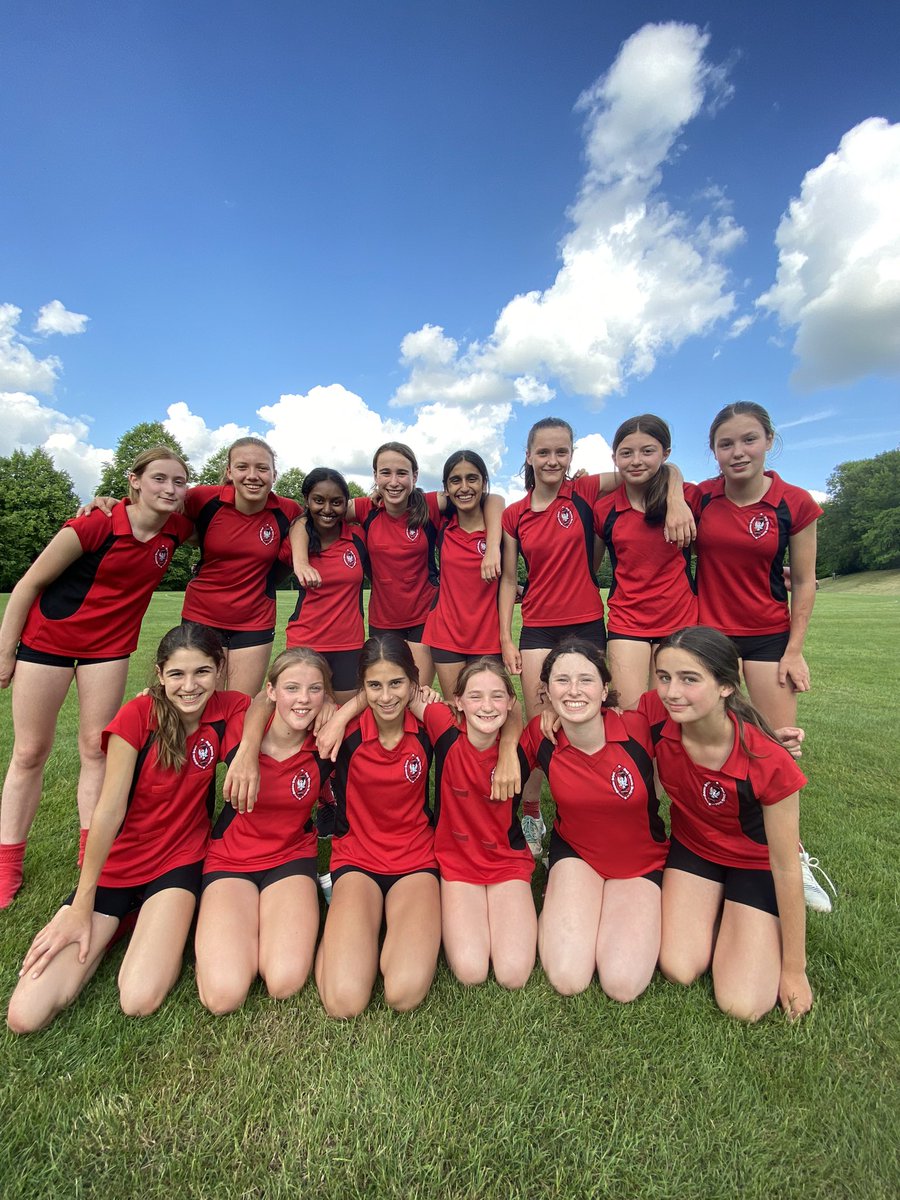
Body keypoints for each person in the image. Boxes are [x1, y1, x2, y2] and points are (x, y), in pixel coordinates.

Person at [7, 625, 249, 1033]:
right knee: (24, 1016)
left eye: (202, 672)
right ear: (159, 674)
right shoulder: (137, 716)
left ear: (220, 669)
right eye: (177, 674)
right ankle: (118, 921)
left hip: (179, 863)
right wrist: (81, 906)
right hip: (121, 864)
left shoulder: (229, 709)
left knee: (139, 998)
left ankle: (137, 918)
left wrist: (249, 754)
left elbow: (267, 705)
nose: (190, 686)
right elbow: (107, 813)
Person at [0, 447, 194, 908]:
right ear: (134, 480)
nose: (170, 489)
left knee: (96, 748)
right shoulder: (94, 524)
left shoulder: (177, 529)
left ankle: (93, 851)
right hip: (47, 642)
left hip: (108, 649)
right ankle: (7, 863)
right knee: (29, 752)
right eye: (159, 479)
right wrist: (5, 653)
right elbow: (27, 584)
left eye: (179, 482)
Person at [499, 416, 694, 857]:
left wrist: (676, 494)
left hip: (587, 623)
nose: (552, 460)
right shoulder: (515, 514)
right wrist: (506, 639)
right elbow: (509, 580)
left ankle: (609, 808)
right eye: (543, 452)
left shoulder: (585, 491)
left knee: (601, 721)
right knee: (542, 725)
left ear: (571, 456)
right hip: (537, 626)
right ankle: (531, 808)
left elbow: (655, 467)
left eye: (561, 452)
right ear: (528, 456)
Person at [692, 402, 833, 912]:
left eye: (748, 440)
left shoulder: (794, 502)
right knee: (709, 743)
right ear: (713, 451)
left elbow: (804, 581)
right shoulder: (700, 497)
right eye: (726, 444)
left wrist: (795, 651)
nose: (738, 452)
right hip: (710, 638)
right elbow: (660, 477)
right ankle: (713, 844)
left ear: (769, 441)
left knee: (775, 750)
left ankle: (791, 853)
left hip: (769, 636)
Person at [642, 625, 812, 1021]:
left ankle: (742, 913)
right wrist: (552, 720)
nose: (672, 692)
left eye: (689, 679)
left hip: (755, 864)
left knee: (743, 1005)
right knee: (679, 968)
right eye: (664, 677)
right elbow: (603, 726)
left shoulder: (769, 760)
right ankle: (723, 912)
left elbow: (785, 866)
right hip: (694, 849)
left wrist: (794, 969)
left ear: (725, 686)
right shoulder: (655, 713)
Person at [82, 436, 301, 698]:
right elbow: (154, 504)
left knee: (241, 705)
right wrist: (114, 503)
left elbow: (318, 529)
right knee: (199, 703)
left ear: (274, 474)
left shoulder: (289, 511)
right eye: (242, 467)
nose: (252, 475)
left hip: (255, 620)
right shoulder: (203, 498)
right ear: (229, 472)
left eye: (262, 468)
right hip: (202, 616)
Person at [521, 639, 668, 1002]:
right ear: (546, 691)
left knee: (622, 984)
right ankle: (564, 887)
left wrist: (766, 739)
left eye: (586, 680)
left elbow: (705, 711)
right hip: (578, 855)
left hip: (640, 861)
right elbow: (486, 738)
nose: (574, 691)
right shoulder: (541, 735)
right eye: (562, 681)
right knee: (567, 977)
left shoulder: (638, 727)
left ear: (604, 690)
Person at [292, 443, 504, 689]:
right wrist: (301, 562)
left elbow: (493, 499)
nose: (394, 482)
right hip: (383, 619)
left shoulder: (429, 504)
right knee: (387, 694)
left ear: (415, 476)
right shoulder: (366, 508)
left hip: (424, 617)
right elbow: (307, 518)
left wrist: (492, 548)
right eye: (386, 473)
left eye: (402, 473)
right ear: (375, 476)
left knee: (414, 692)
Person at [195, 647, 333, 1013]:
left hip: (290, 858)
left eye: (315, 689)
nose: (303, 699)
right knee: (224, 996)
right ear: (271, 691)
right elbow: (185, 702)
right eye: (291, 688)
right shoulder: (238, 728)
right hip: (231, 860)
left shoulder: (326, 741)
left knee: (284, 981)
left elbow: (380, 697)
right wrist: (247, 751)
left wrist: (339, 707)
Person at [313, 635, 442, 1017]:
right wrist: (340, 714)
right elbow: (268, 707)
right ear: (362, 687)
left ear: (414, 682)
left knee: (403, 993)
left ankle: (376, 931)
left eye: (396, 683)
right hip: (357, 860)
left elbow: (500, 711)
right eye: (374, 685)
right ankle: (339, 928)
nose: (386, 697)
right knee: (343, 1002)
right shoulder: (343, 732)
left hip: (415, 861)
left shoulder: (430, 725)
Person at [424, 658, 534, 989]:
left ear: (511, 702)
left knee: (513, 974)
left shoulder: (525, 744)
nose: (486, 706)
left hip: (506, 860)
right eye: (475, 696)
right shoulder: (443, 727)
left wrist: (508, 746)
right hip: (456, 861)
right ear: (457, 701)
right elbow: (395, 690)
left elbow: (561, 718)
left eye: (497, 696)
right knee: (470, 971)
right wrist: (338, 713)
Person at [593, 415, 699, 711]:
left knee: (673, 715)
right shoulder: (604, 509)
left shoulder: (690, 497)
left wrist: (675, 498)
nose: (636, 461)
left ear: (665, 453)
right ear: (614, 458)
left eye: (647, 451)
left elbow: (718, 551)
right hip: (627, 621)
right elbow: (588, 568)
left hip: (680, 620)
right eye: (626, 453)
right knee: (630, 715)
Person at [422, 451, 505, 699]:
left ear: (484, 482)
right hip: (446, 634)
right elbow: (403, 498)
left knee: (488, 709)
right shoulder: (442, 524)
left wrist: (492, 547)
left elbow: (496, 499)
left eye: (472, 478)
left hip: (488, 636)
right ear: (446, 488)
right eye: (455, 480)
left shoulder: (500, 526)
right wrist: (376, 495)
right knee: (456, 707)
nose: (464, 487)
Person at [286, 469, 368, 705]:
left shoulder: (358, 537)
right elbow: (299, 522)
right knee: (301, 710)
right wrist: (301, 562)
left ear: (346, 503)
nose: (327, 509)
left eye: (336, 502)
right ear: (307, 500)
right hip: (305, 643)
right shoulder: (297, 539)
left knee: (345, 714)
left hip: (349, 644)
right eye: (319, 500)